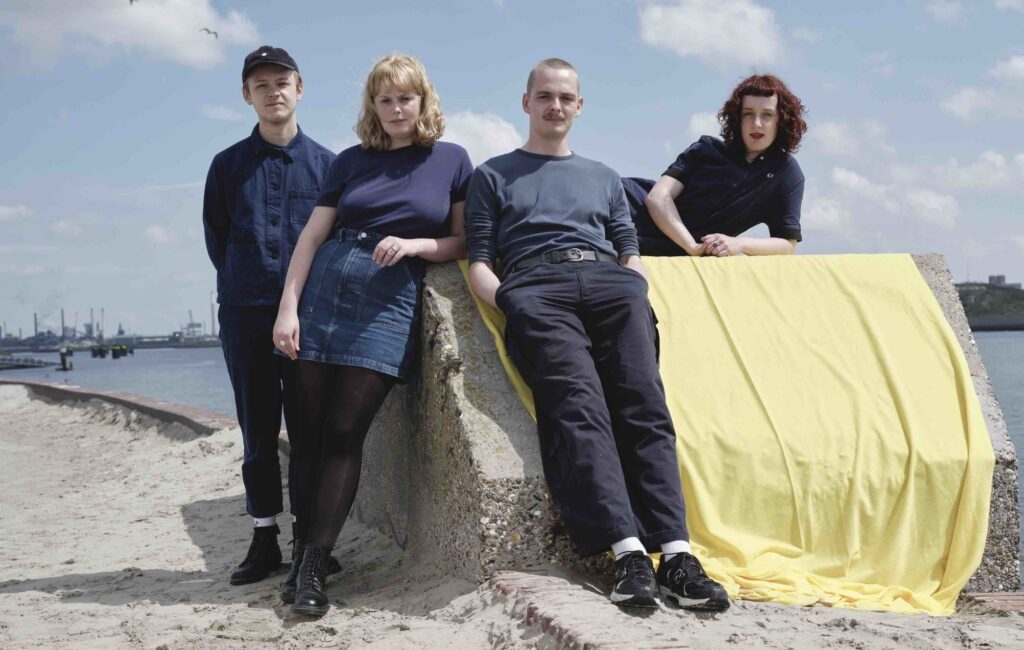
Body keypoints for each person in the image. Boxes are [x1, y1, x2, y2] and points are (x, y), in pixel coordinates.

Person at [465, 58, 728, 611]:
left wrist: (634, 286)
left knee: (644, 405)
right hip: (537, 287)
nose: (555, 105)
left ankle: (677, 556)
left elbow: (629, 247)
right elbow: (479, 261)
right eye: (545, 96)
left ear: (579, 106)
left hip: (612, 284)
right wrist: (512, 301)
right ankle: (627, 554)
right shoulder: (491, 175)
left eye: (566, 97)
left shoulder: (605, 176)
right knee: (578, 407)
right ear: (527, 103)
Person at [272, 54, 473, 616]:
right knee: (308, 434)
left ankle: (316, 566)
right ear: (373, 106)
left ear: (423, 100)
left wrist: (415, 246)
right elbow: (312, 237)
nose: (395, 109)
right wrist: (288, 310)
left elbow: (464, 241)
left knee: (344, 432)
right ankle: (301, 559)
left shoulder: (453, 160)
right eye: (385, 100)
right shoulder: (349, 162)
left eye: (405, 98)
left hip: (389, 301)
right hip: (326, 291)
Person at [202, 45, 341, 587]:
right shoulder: (226, 166)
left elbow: (334, 241)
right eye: (261, 85)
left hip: (310, 318)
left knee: (310, 430)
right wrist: (251, 284)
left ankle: (309, 539)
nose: (273, 92)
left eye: (281, 82)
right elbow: (218, 239)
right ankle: (264, 537)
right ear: (247, 96)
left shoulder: (329, 166)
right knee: (257, 428)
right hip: (245, 314)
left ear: (299, 89)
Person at [621, 74, 807, 257]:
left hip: (639, 242)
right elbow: (658, 197)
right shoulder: (706, 149)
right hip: (623, 203)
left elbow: (787, 244)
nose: (756, 124)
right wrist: (692, 246)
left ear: (780, 120)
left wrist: (741, 243)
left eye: (767, 115)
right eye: (748, 114)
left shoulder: (786, 172)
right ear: (738, 118)